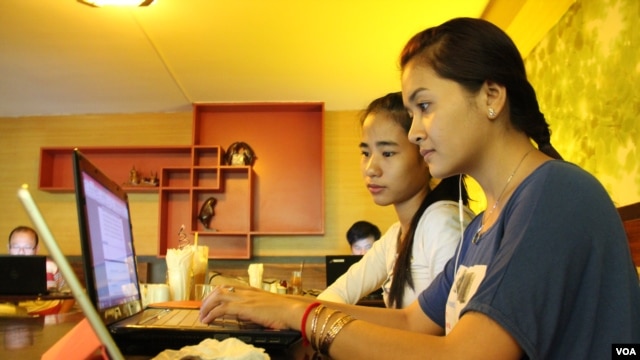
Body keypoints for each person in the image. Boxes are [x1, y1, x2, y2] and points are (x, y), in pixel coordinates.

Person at [200, 18, 640, 359]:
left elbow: (467, 354)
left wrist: (302, 314)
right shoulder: (482, 227)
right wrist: (286, 308)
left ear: (491, 96)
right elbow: (412, 322)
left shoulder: (554, 193)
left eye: (424, 107)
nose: (413, 133)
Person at [318, 92, 474, 308]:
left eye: (388, 153)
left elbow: (444, 327)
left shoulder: (442, 224)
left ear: (426, 155)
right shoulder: (395, 237)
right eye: (365, 153)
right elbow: (338, 292)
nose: (371, 169)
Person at [7, 225, 73, 315]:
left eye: (27, 247)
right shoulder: (4, 270)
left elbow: (72, 294)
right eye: (15, 247)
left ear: (37, 249)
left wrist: (60, 316)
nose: (21, 252)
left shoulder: (51, 267)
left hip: (51, 317)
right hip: (16, 319)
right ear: (9, 248)